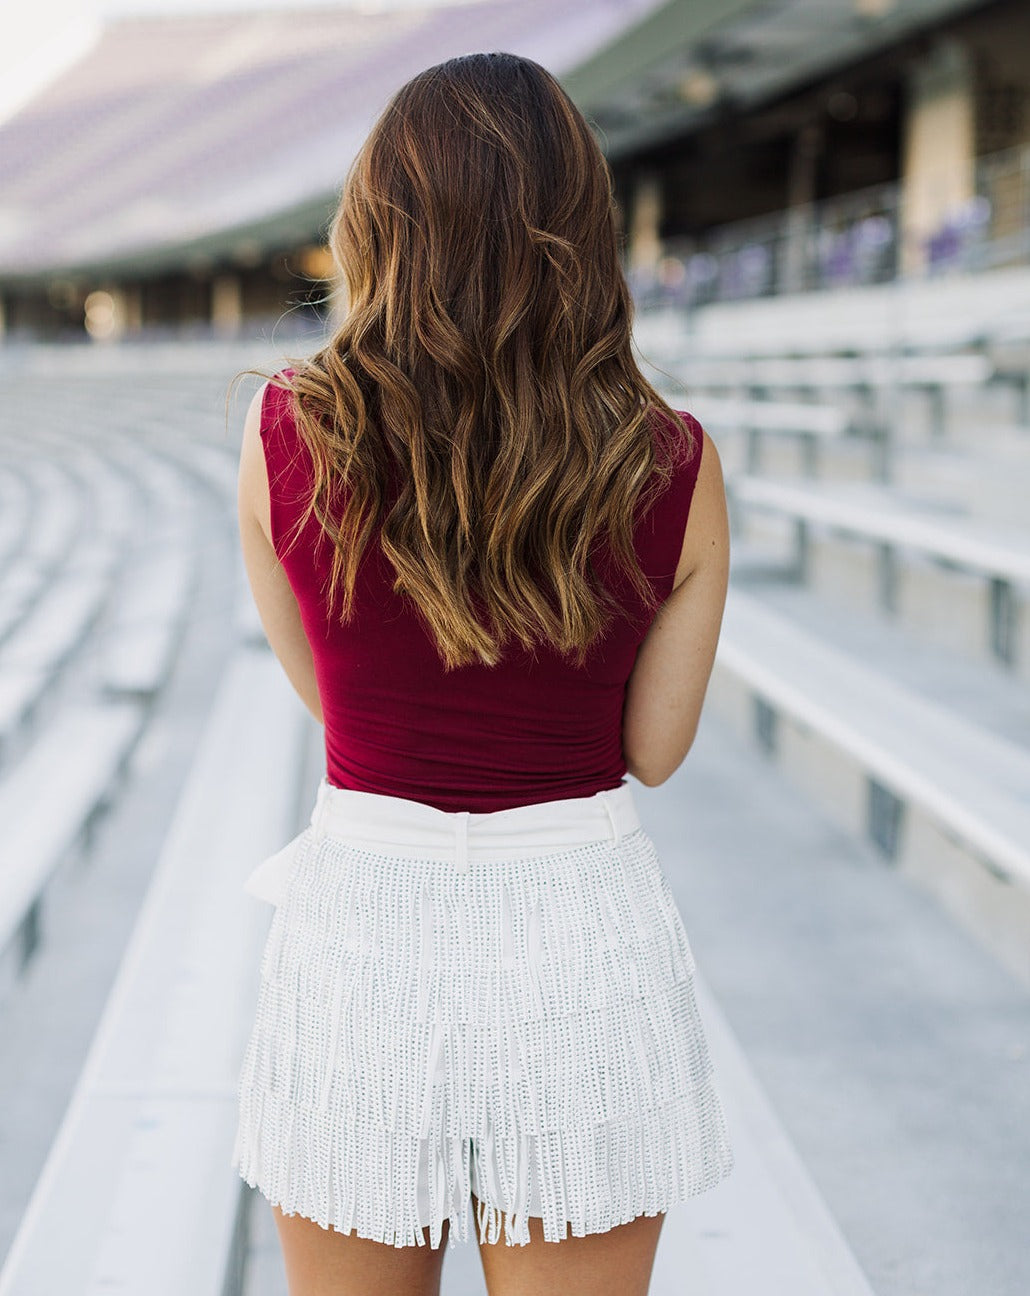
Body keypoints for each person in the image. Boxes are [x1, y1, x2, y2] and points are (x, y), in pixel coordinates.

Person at [229, 50, 734, 1296]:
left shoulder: (289, 429)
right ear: (582, 229)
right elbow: (651, 752)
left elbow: (331, 697)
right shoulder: (669, 459)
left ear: (378, 220)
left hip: (363, 933)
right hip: (580, 936)